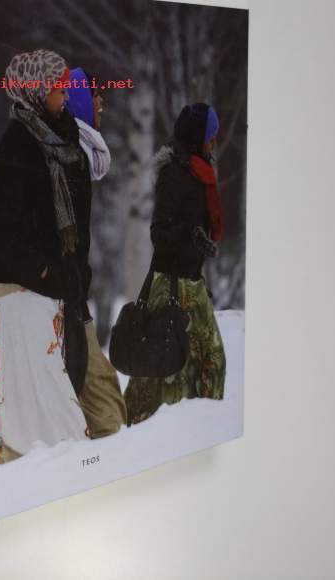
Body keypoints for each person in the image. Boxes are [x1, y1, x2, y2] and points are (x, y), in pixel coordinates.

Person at [0, 49, 91, 477]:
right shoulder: (20, 142)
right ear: (37, 90)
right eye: (58, 86)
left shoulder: (53, 138)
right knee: (40, 394)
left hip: (42, 291)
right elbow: (6, 229)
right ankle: (64, 470)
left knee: (16, 394)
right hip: (21, 290)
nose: (65, 93)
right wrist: (45, 271)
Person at [124, 102, 227, 426]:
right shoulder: (174, 174)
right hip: (169, 287)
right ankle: (138, 431)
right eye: (210, 135)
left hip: (192, 284)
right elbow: (160, 233)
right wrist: (191, 234)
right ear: (197, 137)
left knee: (210, 364)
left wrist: (199, 240)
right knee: (161, 372)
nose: (214, 142)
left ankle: (202, 428)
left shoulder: (202, 173)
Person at [65, 67, 127, 438]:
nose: (101, 102)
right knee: (104, 400)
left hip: (70, 295)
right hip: (63, 299)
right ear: (79, 101)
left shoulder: (80, 155)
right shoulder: (71, 156)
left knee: (99, 391)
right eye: (93, 94)